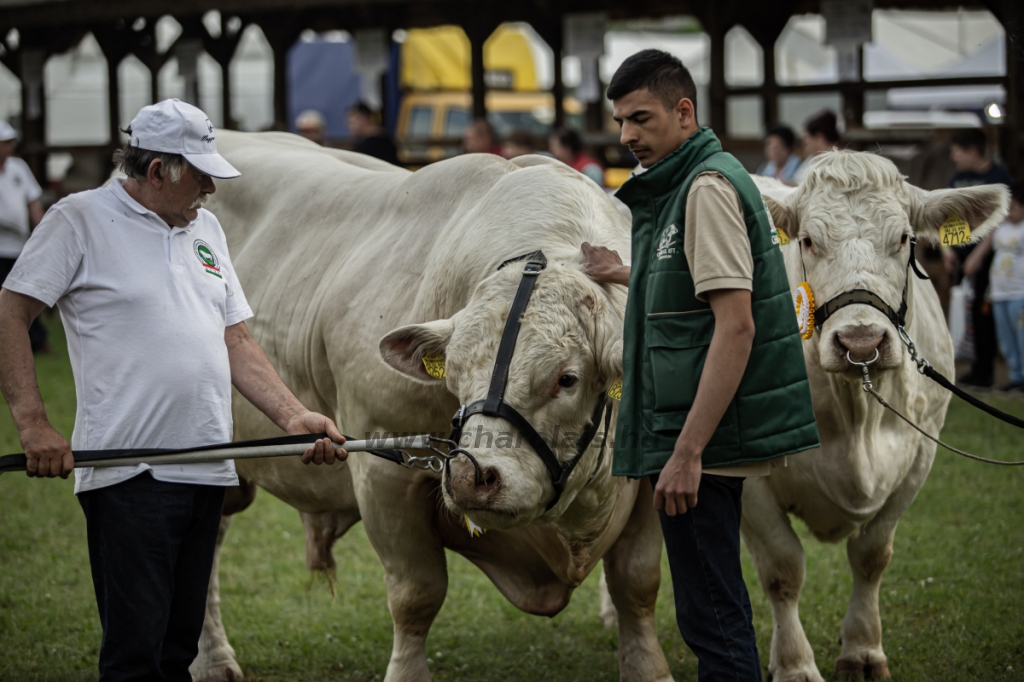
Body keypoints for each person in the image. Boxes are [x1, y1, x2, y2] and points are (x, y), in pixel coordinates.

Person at [0, 99, 347, 682]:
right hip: (128, 473)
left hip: (207, 467)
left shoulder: (205, 228)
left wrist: (293, 415)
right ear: (157, 170)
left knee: (177, 651)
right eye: (199, 172)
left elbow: (234, 339)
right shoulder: (77, 219)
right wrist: (33, 423)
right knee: (136, 657)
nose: (211, 186)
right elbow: (12, 311)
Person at [582, 49, 818, 681]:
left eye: (641, 118)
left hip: (699, 441)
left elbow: (736, 325)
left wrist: (687, 453)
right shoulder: (694, 179)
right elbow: (700, 279)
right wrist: (624, 273)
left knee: (711, 615)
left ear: (684, 112)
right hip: (695, 432)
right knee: (709, 603)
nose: (627, 135)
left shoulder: (705, 189)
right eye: (620, 122)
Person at [944, 128, 1013, 388]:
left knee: (985, 316)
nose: (954, 158)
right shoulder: (959, 178)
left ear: (973, 151)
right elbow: (951, 214)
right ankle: (974, 368)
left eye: (957, 152)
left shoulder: (998, 178)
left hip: (988, 261)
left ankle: (986, 371)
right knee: (969, 312)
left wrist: (978, 256)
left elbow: (998, 221)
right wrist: (949, 250)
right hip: (964, 258)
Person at [963, 182, 1024, 391]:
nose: (1011, 212)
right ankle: (1016, 377)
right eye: (1009, 207)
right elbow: (984, 247)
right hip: (998, 292)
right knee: (1005, 338)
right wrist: (972, 261)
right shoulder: (1000, 226)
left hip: (1020, 293)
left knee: (1022, 336)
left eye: (1015, 207)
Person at [0, 120, 47, 352]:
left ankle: (36, 341)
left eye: (10, 142)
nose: (9, 147)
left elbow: (33, 201)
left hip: (20, 246)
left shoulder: (18, 167)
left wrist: (42, 233)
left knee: (28, 294)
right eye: (5, 142)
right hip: (0, 248)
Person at [793, 110, 841, 183]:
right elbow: (796, 183)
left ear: (819, 138)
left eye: (806, 140)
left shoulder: (845, 161)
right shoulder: (812, 160)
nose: (804, 145)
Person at [346, 101, 400, 165]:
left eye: (351, 123)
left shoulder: (368, 146)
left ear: (364, 118)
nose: (349, 127)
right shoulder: (386, 139)